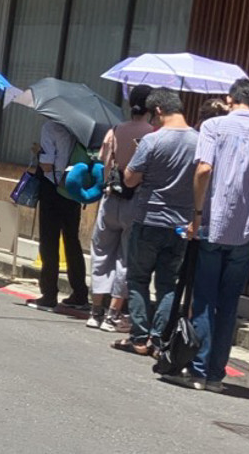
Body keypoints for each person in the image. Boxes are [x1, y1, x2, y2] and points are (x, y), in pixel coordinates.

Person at [165, 80, 249, 392]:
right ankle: (216, 374)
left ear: (231, 100)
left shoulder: (214, 126)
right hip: (245, 230)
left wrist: (197, 216)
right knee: (229, 304)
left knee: (204, 299)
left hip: (211, 224)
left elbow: (203, 170)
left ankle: (199, 371)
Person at [110, 89, 198, 356]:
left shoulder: (152, 141)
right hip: (181, 222)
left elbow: (130, 179)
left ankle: (138, 337)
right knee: (167, 284)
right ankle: (158, 339)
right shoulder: (199, 141)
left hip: (149, 218)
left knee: (138, 279)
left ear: (158, 110)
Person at [87, 85, 154, 331]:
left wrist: (108, 184)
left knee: (101, 253)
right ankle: (112, 315)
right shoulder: (153, 134)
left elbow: (104, 163)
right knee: (126, 258)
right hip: (136, 200)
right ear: (152, 108)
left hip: (111, 197)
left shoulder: (115, 130)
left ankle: (95, 311)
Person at [27, 120, 90, 311]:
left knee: (49, 241)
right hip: (72, 188)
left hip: (52, 188)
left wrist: (38, 152)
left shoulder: (50, 127)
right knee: (72, 241)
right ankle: (80, 293)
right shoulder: (82, 129)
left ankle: (49, 293)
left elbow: (47, 165)